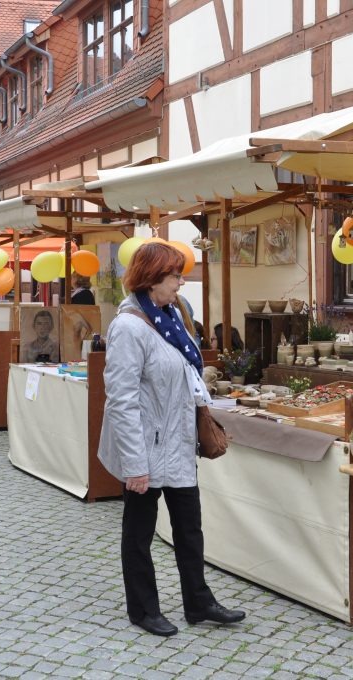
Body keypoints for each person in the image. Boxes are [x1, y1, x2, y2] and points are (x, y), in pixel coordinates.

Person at [99, 242, 245, 637]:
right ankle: (144, 610)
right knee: (139, 532)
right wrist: (134, 464)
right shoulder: (129, 327)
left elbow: (186, 373)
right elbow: (122, 400)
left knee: (190, 529)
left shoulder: (171, 317)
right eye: (174, 276)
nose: (181, 283)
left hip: (178, 443)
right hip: (145, 447)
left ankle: (198, 602)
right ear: (151, 279)